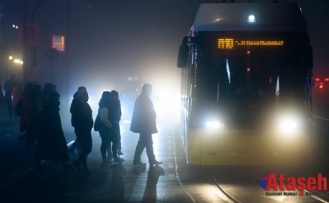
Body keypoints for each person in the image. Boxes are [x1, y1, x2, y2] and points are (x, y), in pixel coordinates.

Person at [34, 91, 72, 171]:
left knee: (43, 147)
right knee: (59, 147)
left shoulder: (49, 106)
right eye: (57, 98)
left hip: (48, 131)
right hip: (52, 130)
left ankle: (38, 163)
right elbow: (48, 119)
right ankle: (64, 163)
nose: (58, 100)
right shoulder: (51, 107)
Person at [130, 84, 162, 166]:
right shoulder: (143, 99)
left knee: (147, 143)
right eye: (150, 89)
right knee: (143, 143)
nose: (151, 91)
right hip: (145, 126)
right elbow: (145, 114)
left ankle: (150, 160)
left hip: (145, 125)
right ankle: (138, 160)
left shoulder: (143, 98)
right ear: (147, 89)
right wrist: (148, 125)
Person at [70, 86, 93, 175]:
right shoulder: (78, 105)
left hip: (86, 129)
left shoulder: (83, 104)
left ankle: (81, 164)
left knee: (86, 149)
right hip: (82, 129)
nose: (88, 97)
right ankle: (80, 164)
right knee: (86, 148)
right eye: (86, 95)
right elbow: (80, 117)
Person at [96, 91, 124, 165]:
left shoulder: (109, 104)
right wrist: (110, 125)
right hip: (105, 128)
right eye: (110, 96)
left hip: (110, 127)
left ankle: (114, 157)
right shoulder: (104, 106)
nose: (111, 97)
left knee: (114, 141)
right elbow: (104, 118)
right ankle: (105, 158)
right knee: (105, 143)